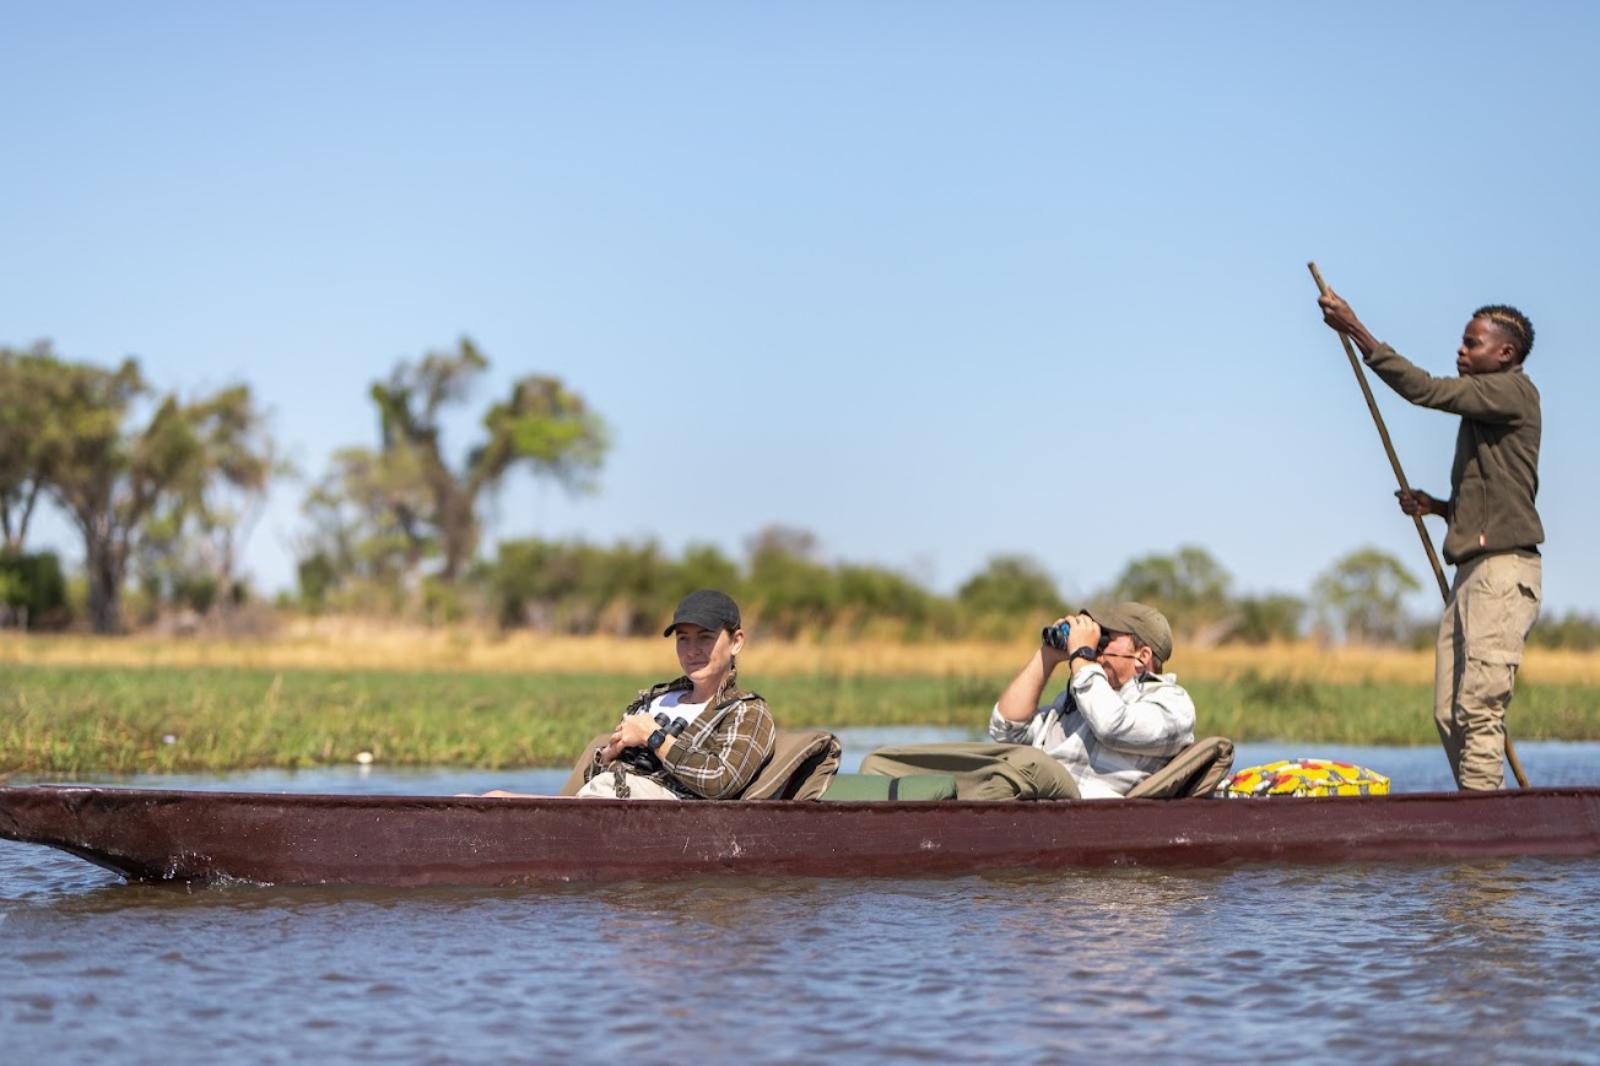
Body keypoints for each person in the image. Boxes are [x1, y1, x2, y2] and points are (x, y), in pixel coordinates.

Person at [1318, 291, 1542, 791]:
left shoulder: (1511, 393)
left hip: (1503, 573)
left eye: (1472, 343)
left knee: (1478, 710)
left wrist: (1357, 330)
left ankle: (1485, 844)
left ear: (1504, 354)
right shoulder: (1486, 407)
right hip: (1471, 574)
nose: (1460, 352)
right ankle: (1478, 818)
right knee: (1449, 714)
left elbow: (1423, 390)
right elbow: (1494, 496)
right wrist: (1438, 507)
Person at [860, 602, 1195, 799]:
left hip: (1081, 809)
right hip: (1031, 790)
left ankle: (955, 827)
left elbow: (1111, 725)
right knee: (883, 760)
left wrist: (1081, 655)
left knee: (1029, 763)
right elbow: (1006, 730)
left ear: (1143, 654)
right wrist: (1047, 657)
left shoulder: (1171, 703)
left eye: (1106, 638)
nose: (1095, 646)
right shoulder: (1081, 693)